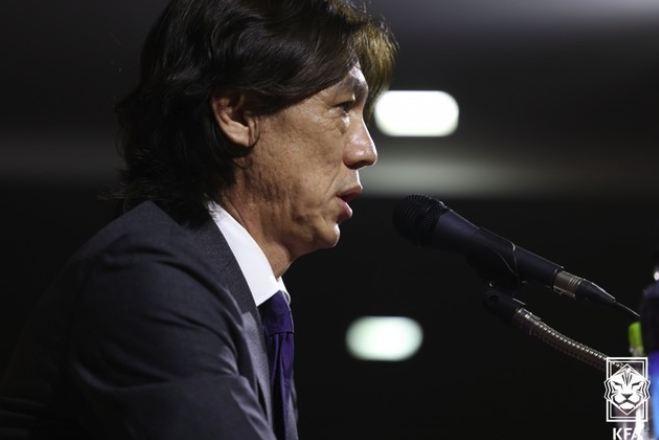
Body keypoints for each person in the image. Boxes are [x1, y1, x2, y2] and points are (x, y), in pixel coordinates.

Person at [0, 0, 396, 439]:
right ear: (238, 115)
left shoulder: (241, 299)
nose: (366, 151)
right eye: (343, 107)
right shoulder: (149, 274)